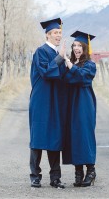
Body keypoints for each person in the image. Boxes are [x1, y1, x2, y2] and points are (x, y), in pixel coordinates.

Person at [29, 17, 68, 189]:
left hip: (55, 101)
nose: (58, 36)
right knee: (38, 138)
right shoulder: (41, 52)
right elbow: (46, 72)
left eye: (60, 33)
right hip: (41, 101)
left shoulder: (58, 54)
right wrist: (60, 59)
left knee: (54, 138)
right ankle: (35, 176)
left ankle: (55, 178)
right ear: (47, 35)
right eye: (55, 33)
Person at [61, 30, 97, 187]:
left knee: (84, 134)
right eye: (74, 45)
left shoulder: (90, 65)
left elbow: (82, 77)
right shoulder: (70, 65)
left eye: (79, 45)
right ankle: (78, 172)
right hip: (71, 104)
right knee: (73, 135)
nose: (76, 48)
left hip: (84, 104)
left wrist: (69, 64)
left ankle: (90, 171)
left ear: (85, 48)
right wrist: (68, 65)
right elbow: (66, 80)